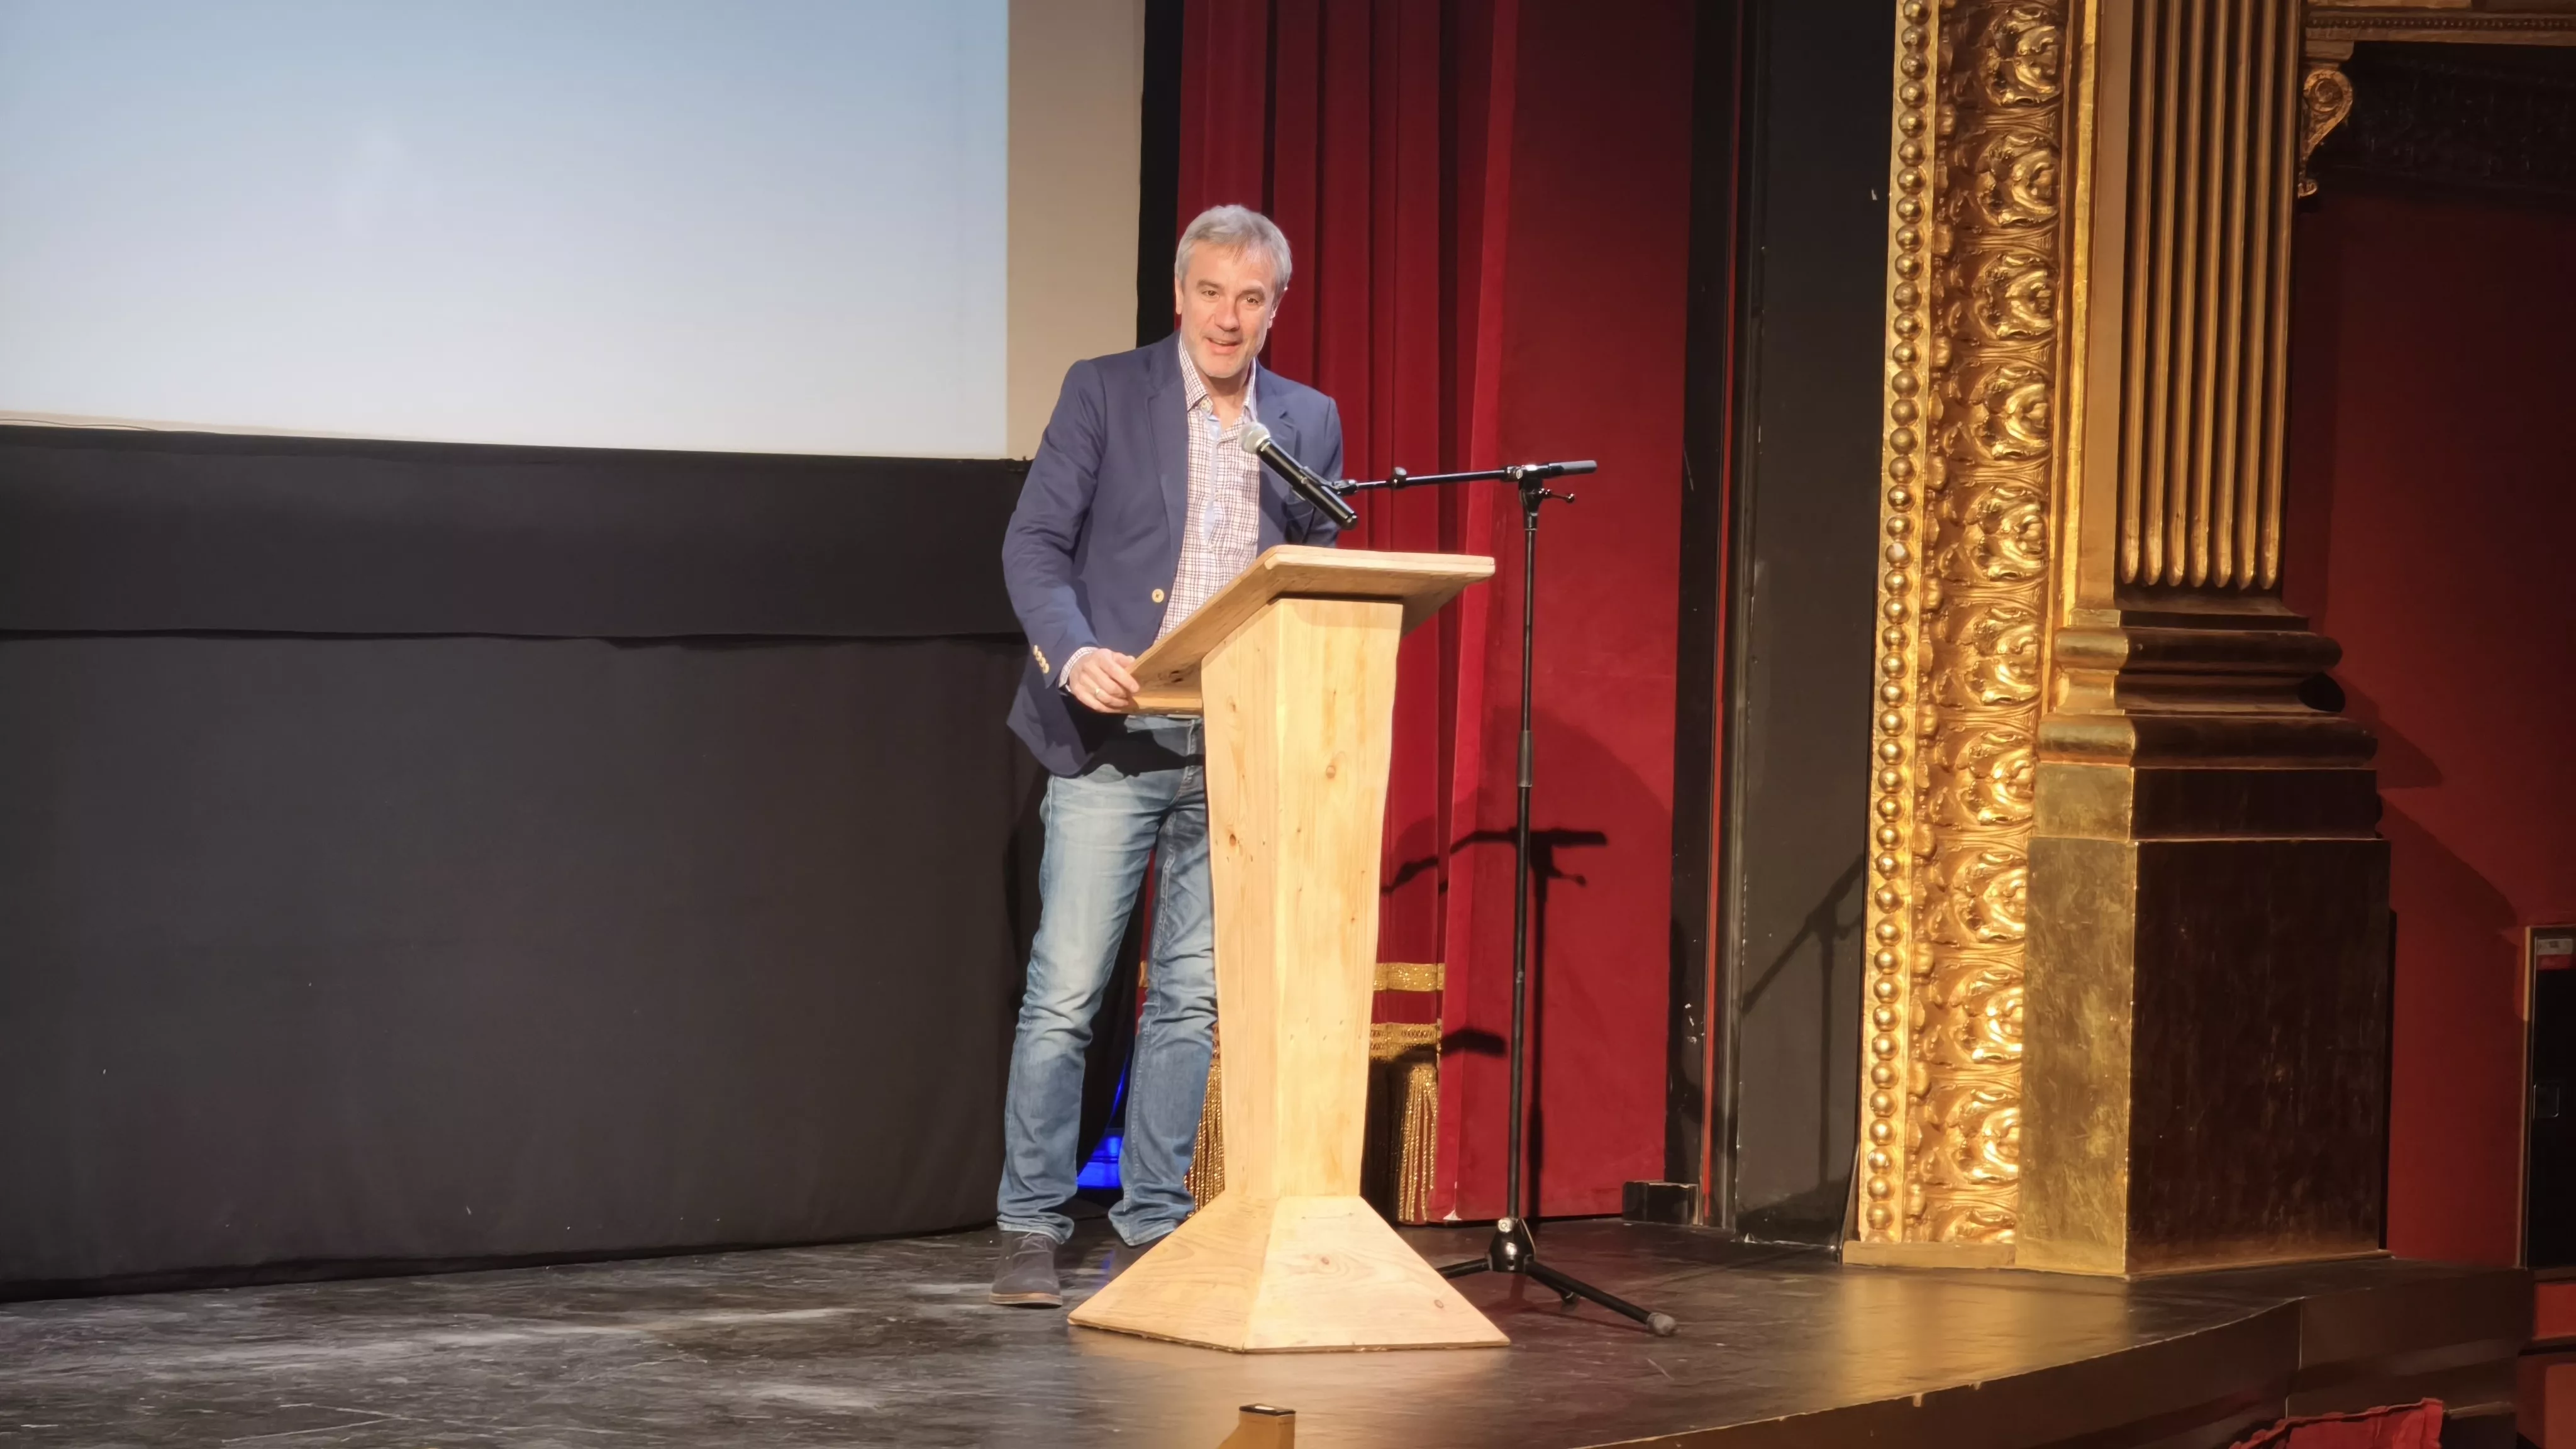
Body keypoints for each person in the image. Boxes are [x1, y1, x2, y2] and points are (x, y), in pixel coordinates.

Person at [988, 205, 1343, 1306]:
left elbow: (1320, 558)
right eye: (1211, 293)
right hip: (1110, 737)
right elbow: (1034, 543)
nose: (1228, 317)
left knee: (1188, 999)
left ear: (1276, 306)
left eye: (1252, 297)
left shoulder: (1306, 418)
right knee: (1068, 993)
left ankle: (1155, 1226)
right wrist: (1071, 650)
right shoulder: (1105, 390)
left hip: (1233, 741)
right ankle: (1030, 1224)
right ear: (1178, 296)